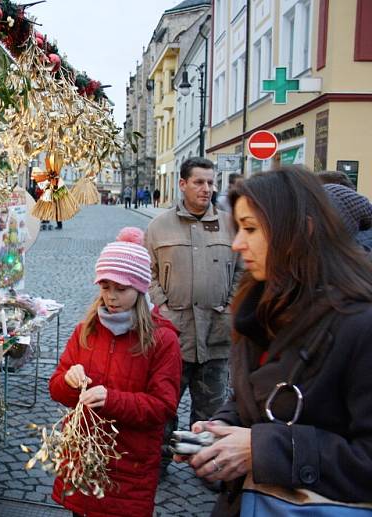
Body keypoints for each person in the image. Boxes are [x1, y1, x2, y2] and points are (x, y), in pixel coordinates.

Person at [181, 167, 372, 515]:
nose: (237, 244)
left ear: (302, 232)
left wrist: (261, 449)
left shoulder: (360, 325)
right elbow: (252, 399)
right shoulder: (263, 307)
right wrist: (223, 426)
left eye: (250, 229)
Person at [49, 227, 181, 517]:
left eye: (121, 289)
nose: (111, 297)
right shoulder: (86, 330)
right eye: (105, 287)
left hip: (129, 466)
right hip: (84, 459)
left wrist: (111, 400)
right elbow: (56, 387)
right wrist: (70, 382)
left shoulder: (162, 340)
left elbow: (163, 406)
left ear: (140, 288)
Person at [145, 157, 242, 470]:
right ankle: (158, 463)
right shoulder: (159, 226)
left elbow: (242, 271)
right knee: (164, 407)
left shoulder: (230, 224)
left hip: (216, 335)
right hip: (175, 336)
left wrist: (229, 306)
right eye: (199, 182)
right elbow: (149, 272)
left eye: (211, 182)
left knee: (210, 412)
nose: (207, 189)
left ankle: (204, 465)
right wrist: (163, 308)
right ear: (182, 184)